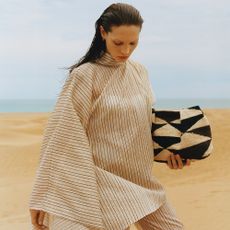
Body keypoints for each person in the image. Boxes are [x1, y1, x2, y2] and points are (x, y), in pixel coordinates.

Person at [29, 3, 191, 230]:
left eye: (133, 43)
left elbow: (142, 125)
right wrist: (42, 194)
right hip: (97, 182)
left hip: (139, 180)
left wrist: (171, 153)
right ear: (103, 33)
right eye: (118, 43)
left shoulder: (140, 72)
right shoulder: (85, 75)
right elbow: (62, 133)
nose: (125, 51)